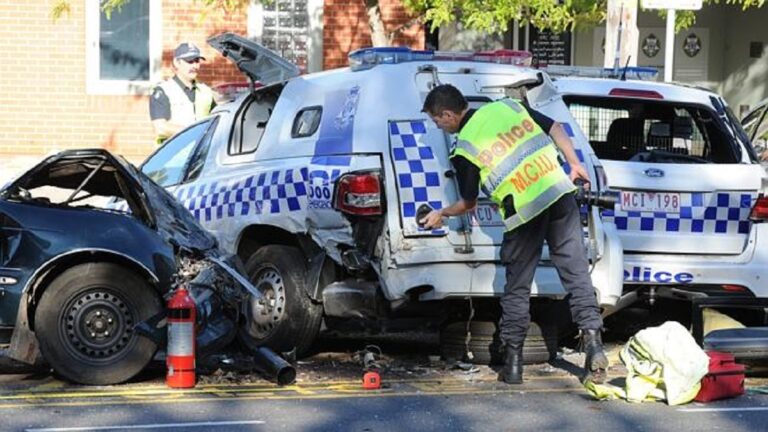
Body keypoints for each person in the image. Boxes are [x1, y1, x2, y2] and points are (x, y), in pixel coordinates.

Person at [420, 84, 609, 384]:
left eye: (436, 120)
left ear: (448, 115)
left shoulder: (464, 147)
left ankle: (513, 364)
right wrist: (573, 164)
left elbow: (468, 203)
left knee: (517, 287)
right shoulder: (508, 107)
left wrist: (441, 213)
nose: (437, 126)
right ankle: (594, 344)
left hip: (524, 212)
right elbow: (556, 127)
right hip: (560, 194)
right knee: (576, 273)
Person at [149, 42, 216, 144]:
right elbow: (160, 128)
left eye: (197, 61)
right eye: (189, 61)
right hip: (173, 154)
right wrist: (194, 133)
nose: (195, 66)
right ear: (177, 62)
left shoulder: (206, 91)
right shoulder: (163, 91)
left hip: (199, 153)